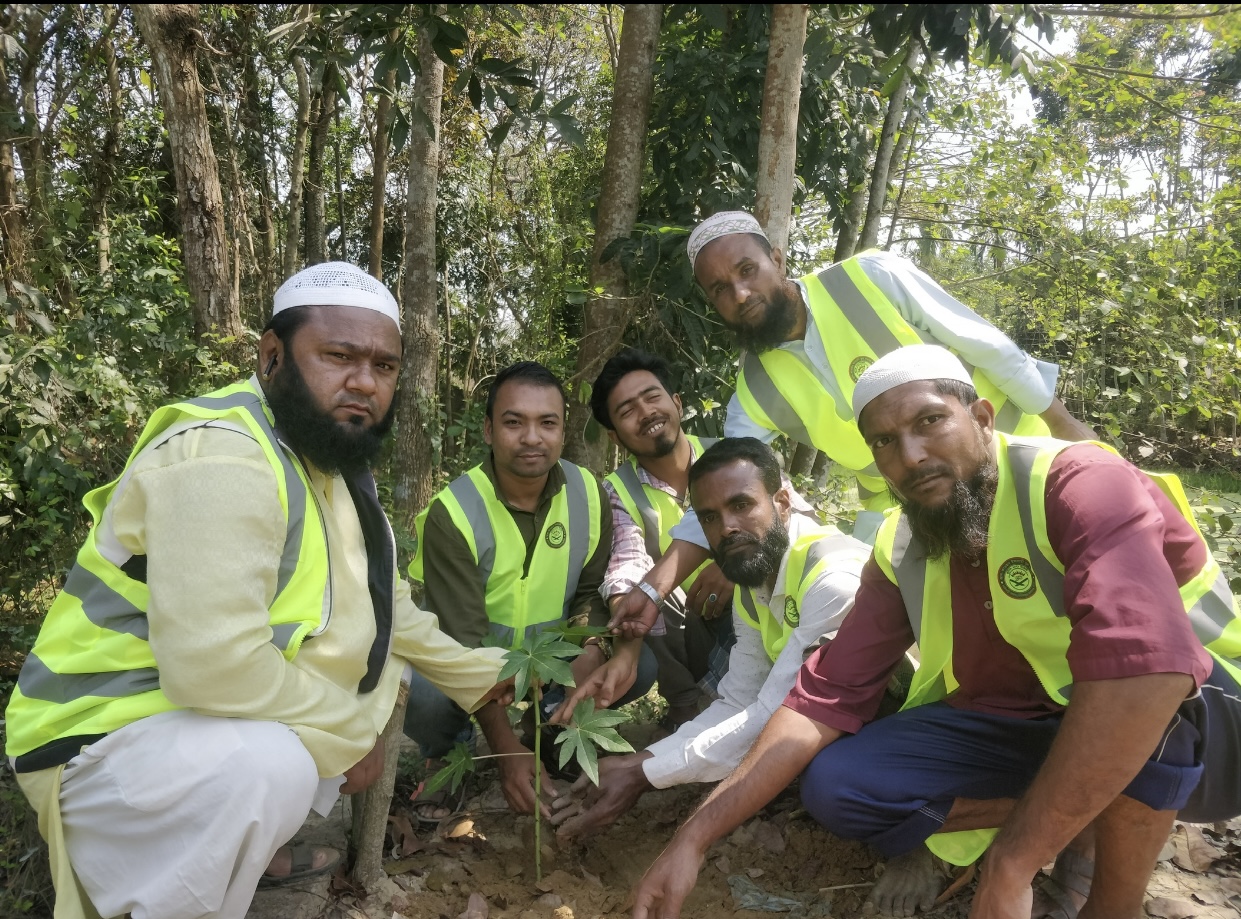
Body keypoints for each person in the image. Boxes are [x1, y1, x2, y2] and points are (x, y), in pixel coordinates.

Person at [631, 344, 1241, 919]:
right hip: (1034, 720)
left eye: (930, 423)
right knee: (840, 785)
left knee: (1152, 703)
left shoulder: (1076, 481)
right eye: (886, 442)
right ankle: (1073, 813)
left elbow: (1151, 668)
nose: (912, 456)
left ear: (981, 415)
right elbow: (824, 697)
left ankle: (1110, 900)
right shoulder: (901, 539)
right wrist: (695, 837)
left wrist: (1012, 861)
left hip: (1204, 716)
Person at [5, 262, 514, 919]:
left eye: (384, 366)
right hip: (93, 733)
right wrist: (350, 734)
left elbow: (388, 612)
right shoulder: (226, 454)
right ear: (272, 355)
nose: (364, 381)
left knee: (321, 720)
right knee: (271, 765)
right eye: (338, 356)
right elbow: (215, 668)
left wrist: (491, 677)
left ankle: (231, 862)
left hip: (179, 728)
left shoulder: (327, 461)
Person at [609, 210, 1096, 642]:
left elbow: (986, 345)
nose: (739, 294)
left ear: (777, 260)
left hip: (1011, 449)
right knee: (871, 601)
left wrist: (1066, 426)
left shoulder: (870, 277)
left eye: (747, 270)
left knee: (1078, 572)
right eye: (719, 288)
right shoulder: (754, 389)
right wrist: (655, 588)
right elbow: (725, 484)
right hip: (907, 500)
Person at [548, 437, 869, 842]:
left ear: (783, 502)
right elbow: (740, 699)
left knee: (827, 782)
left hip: (905, 717)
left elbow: (775, 715)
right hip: (835, 713)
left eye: (741, 505)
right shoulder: (755, 576)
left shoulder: (833, 579)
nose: (727, 528)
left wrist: (645, 773)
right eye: (710, 518)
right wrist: (645, 761)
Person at [403, 361, 655, 821]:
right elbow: (462, 642)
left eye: (547, 423)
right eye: (514, 422)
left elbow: (587, 592)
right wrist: (503, 752)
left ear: (563, 431)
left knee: (640, 664)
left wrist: (592, 647)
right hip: (477, 658)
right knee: (424, 691)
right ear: (488, 429)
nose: (532, 438)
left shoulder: (588, 493)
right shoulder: (453, 512)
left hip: (549, 657)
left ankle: (549, 732)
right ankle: (448, 754)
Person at [588, 348, 736, 728]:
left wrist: (732, 567)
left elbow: (786, 517)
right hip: (690, 621)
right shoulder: (617, 490)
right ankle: (685, 703)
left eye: (652, 397)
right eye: (627, 411)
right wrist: (628, 603)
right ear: (614, 435)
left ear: (677, 402)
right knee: (641, 593)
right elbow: (627, 559)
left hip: (754, 603)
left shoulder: (730, 453)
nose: (646, 413)